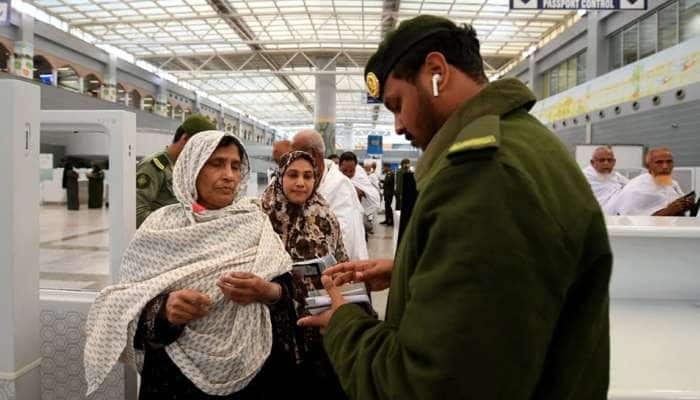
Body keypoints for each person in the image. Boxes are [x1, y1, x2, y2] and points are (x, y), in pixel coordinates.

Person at [298, 15, 612, 400]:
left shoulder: (485, 175)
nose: (396, 126)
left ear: (436, 72)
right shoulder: (520, 142)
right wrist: (416, 269)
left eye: (398, 104)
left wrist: (344, 324)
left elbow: (430, 384)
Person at [84, 131, 295, 399]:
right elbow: (127, 301)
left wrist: (267, 291)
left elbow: (288, 291)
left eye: (235, 166)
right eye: (216, 164)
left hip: (251, 371)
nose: (229, 175)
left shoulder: (255, 222)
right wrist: (164, 311)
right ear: (192, 166)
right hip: (174, 379)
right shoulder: (161, 226)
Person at [261, 150, 349, 399]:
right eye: (293, 175)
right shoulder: (261, 217)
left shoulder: (326, 218)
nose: (301, 182)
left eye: (308, 176)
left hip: (318, 320)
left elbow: (341, 261)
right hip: (272, 321)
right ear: (280, 176)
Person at [291, 130, 368, 260]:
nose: (292, 160)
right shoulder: (293, 178)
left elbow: (344, 236)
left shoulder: (340, 186)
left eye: (295, 155)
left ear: (313, 154)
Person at [136, 114, 216, 227]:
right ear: (185, 139)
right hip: (161, 237)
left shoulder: (184, 167)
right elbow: (137, 213)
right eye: (200, 148)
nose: (202, 154)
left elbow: (182, 204)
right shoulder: (153, 165)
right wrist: (177, 226)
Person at [607, 147, 694, 216]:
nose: (665, 166)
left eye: (669, 162)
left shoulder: (672, 184)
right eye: (659, 162)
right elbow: (633, 222)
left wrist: (685, 206)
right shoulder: (636, 189)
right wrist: (668, 211)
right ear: (648, 166)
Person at [339, 152, 381, 236]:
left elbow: (373, 196)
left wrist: (360, 192)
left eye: (351, 171)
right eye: (344, 171)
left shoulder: (360, 178)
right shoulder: (333, 180)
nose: (348, 174)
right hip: (339, 224)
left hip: (357, 223)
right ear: (339, 167)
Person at [582, 146, 629, 214]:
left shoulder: (616, 176)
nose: (606, 163)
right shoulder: (584, 177)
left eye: (609, 160)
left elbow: (631, 187)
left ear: (614, 162)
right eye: (602, 160)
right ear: (592, 162)